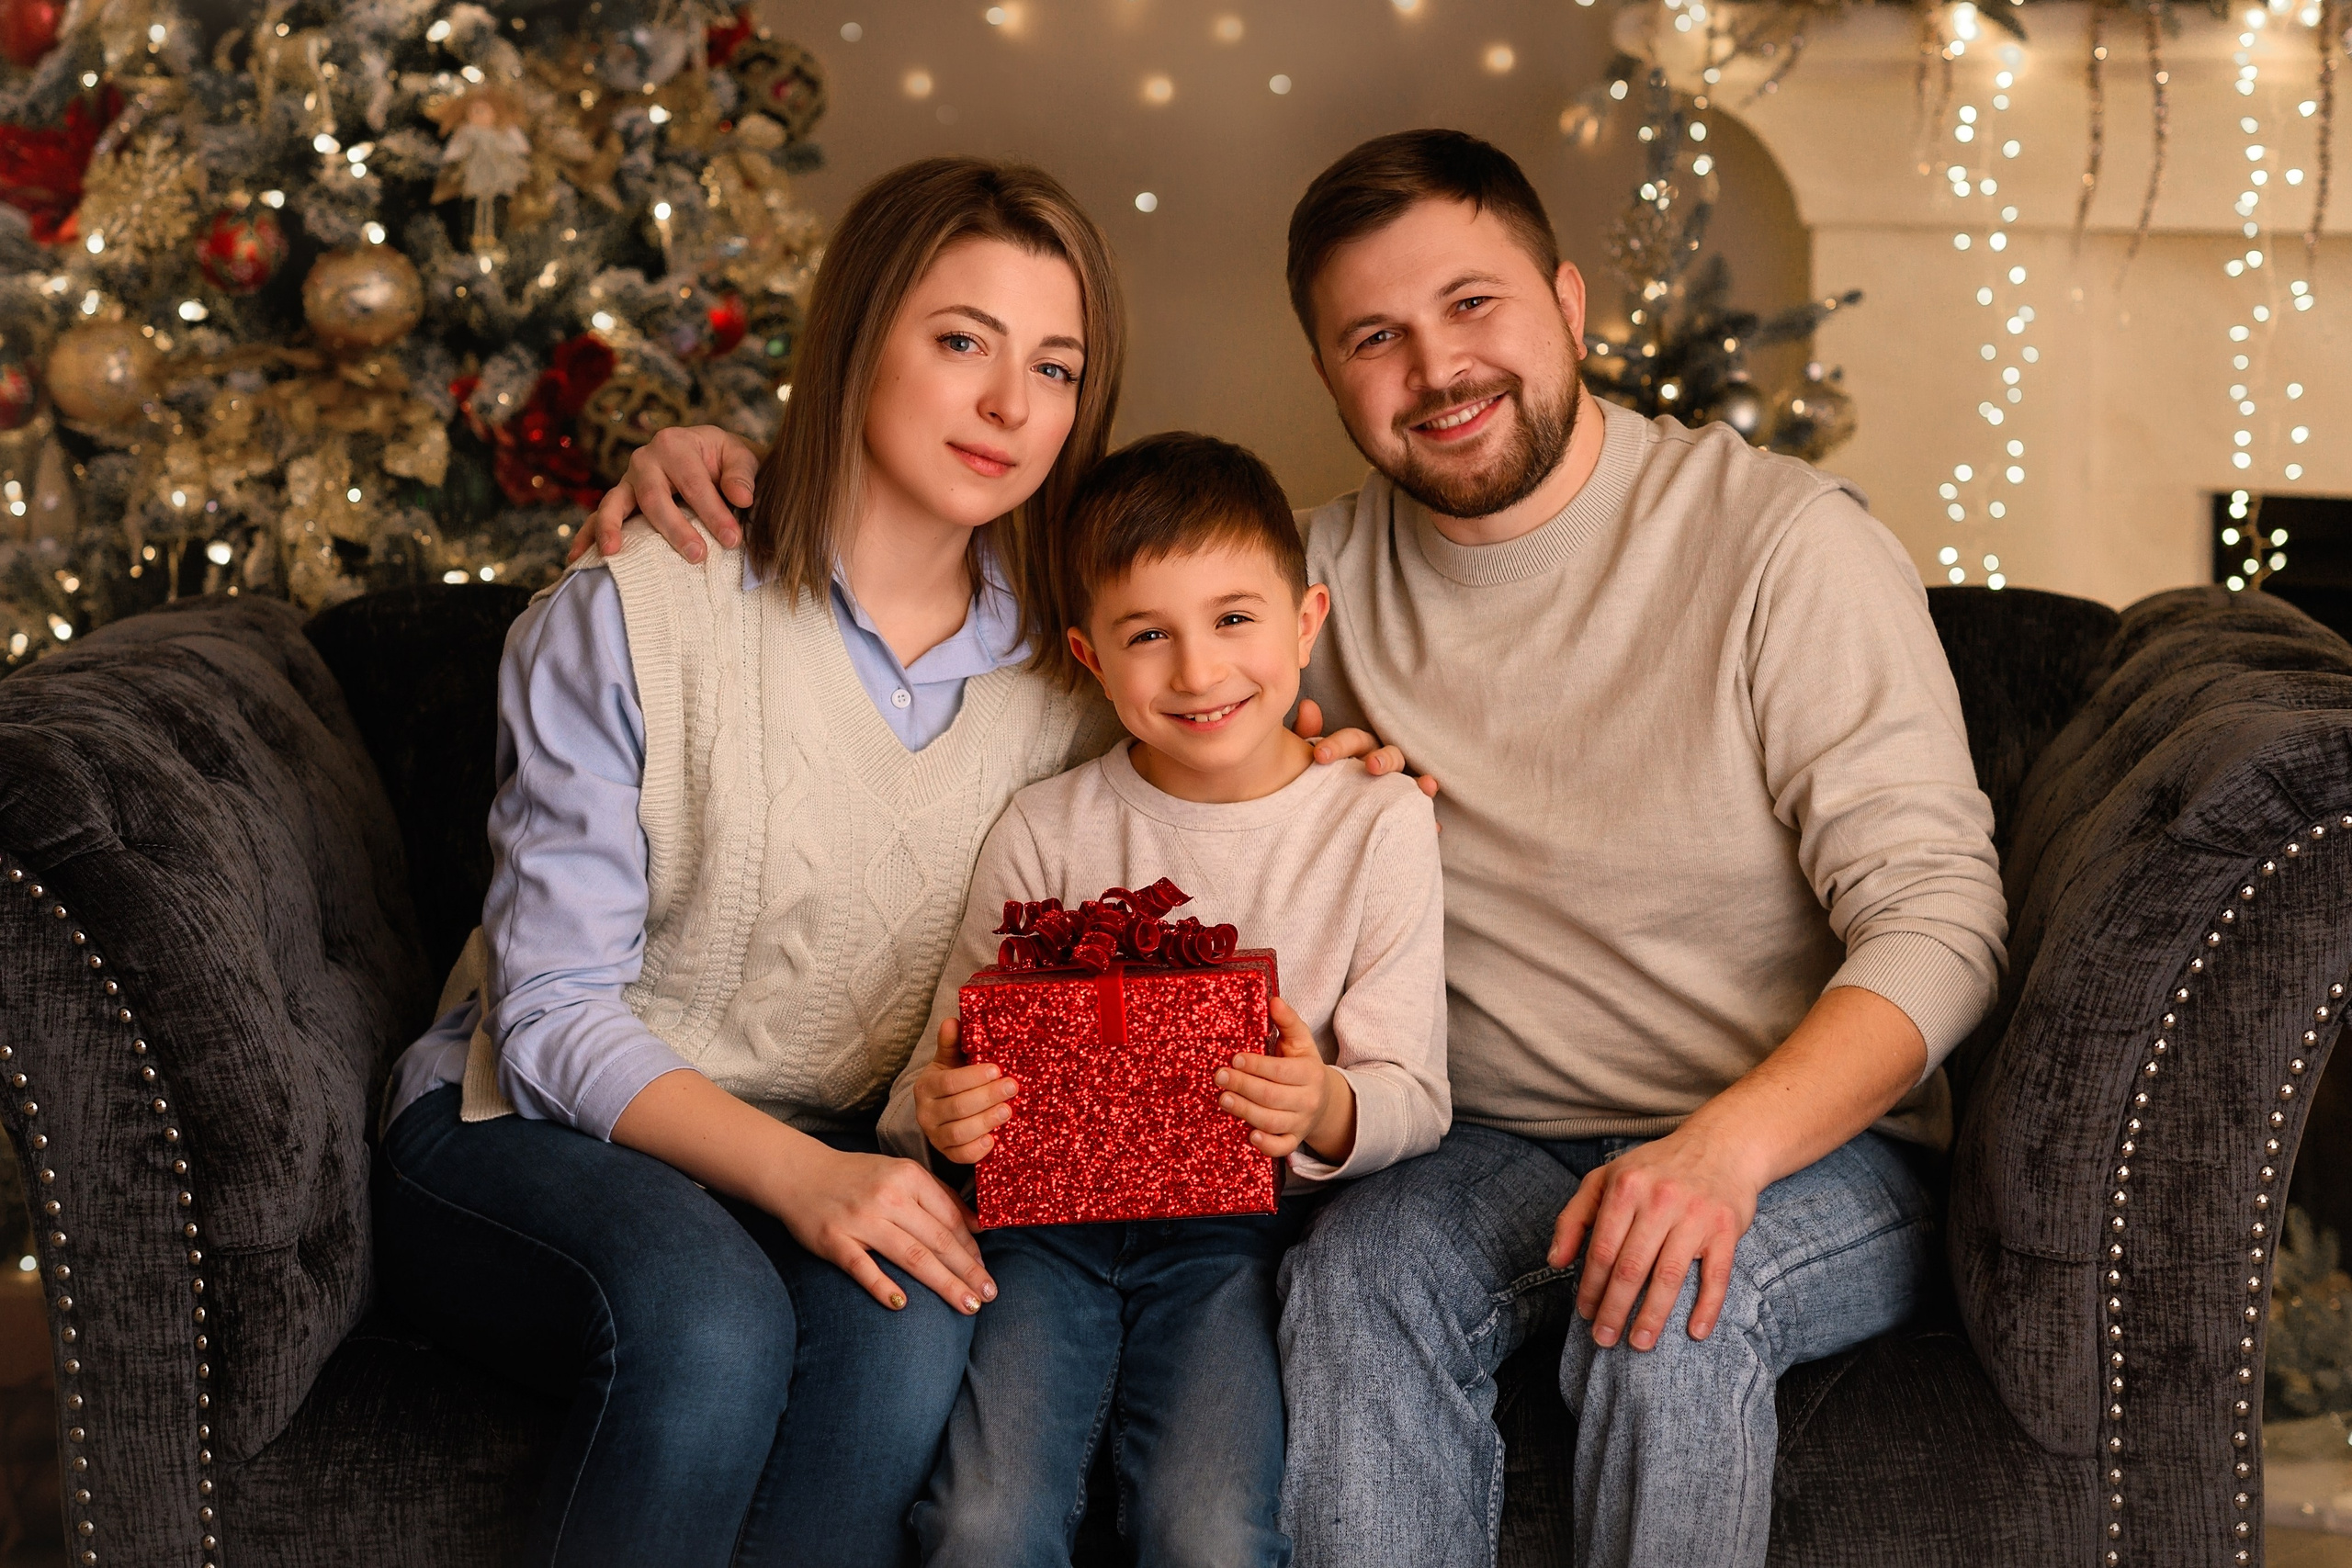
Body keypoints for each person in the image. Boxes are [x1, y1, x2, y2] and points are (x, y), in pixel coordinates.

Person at [598, 128, 2007, 1568]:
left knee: (1666, 1310)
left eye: (1473, 303)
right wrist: (726, 465)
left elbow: (1942, 916)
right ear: (1332, 376)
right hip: (1485, 1147)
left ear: (1570, 303)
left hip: (1794, 1143)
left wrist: (1721, 1151)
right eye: (1374, 337)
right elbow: (1063, 576)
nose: (1437, 368)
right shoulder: (1297, 582)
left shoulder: (1783, 545)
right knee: (1352, 1286)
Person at [379, 158, 1131, 1568]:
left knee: (909, 1324)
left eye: (1055, 367)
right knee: (710, 1323)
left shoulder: (1073, 681)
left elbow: (1227, 745)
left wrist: (1323, 761)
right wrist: (803, 1177)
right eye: (961, 340)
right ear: (856, 340)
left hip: (833, 1137)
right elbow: (545, 1016)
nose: (1009, 406)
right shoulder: (640, 611)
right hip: (520, 1124)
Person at [889, 432, 1448, 1568]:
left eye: (1235, 618)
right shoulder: (1046, 827)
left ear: (1305, 622)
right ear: (1090, 658)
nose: (1198, 672)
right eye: (1148, 635)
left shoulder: (1377, 822)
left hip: (1235, 1242)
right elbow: (931, 1078)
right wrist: (940, 1120)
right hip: (1041, 1236)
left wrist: (1322, 1105)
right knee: (979, 1524)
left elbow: (1416, 1095)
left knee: (1210, 1533)